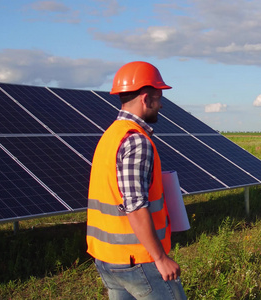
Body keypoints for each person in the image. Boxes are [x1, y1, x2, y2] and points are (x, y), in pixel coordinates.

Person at [87, 61, 187, 300]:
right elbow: (135, 205)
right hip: (139, 260)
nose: (161, 105)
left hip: (108, 258)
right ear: (145, 98)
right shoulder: (136, 141)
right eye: (158, 97)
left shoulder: (111, 134)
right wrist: (160, 258)